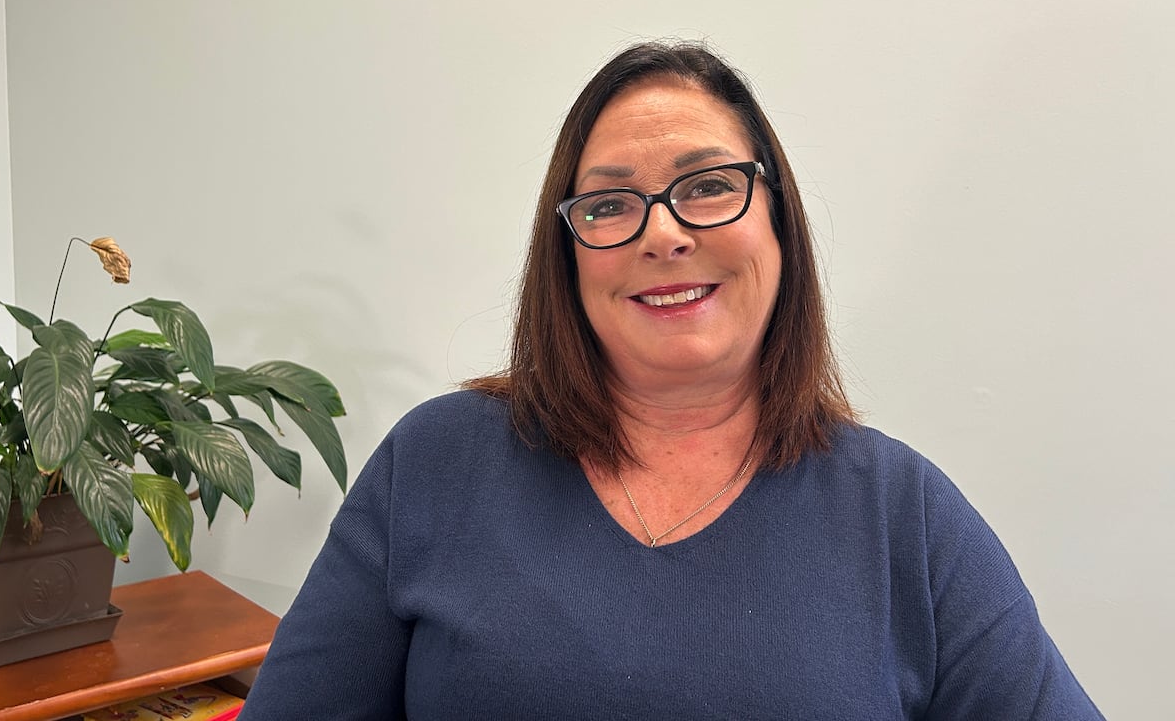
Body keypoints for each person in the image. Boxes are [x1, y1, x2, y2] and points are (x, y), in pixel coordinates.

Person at [239, 42, 1103, 719]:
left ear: (778, 221)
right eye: (611, 203)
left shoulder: (901, 515)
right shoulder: (434, 465)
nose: (665, 235)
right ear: (568, 253)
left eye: (708, 186)